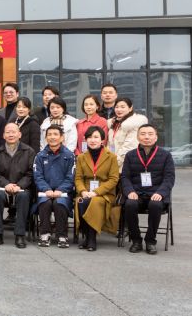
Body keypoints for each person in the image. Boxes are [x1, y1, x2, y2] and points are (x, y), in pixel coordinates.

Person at [121, 124, 175, 255]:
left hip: (156, 193)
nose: (146, 137)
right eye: (143, 134)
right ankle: (136, 240)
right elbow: (125, 177)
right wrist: (130, 191)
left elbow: (169, 178)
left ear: (156, 137)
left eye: (150, 134)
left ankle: (150, 240)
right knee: (129, 204)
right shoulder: (130, 155)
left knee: (155, 205)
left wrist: (161, 193)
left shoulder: (165, 155)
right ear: (137, 137)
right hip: (136, 193)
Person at [0, 123, 35, 249]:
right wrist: (6, 184)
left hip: (22, 188)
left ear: (19, 134)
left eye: (13, 132)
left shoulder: (29, 151)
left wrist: (19, 185)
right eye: (8, 132)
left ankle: (20, 235)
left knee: (23, 197)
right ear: (3, 135)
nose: (11, 134)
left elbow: (31, 173)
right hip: (3, 187)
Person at [74, 126, 119, 251]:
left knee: (93, 202)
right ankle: (87, 236)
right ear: (85, 139)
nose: (92, 140)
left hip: (104, 193)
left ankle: (91, 238)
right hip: (86, 192)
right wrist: (83, 191)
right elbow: (78, 178)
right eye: (89, 137)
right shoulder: (81, 157)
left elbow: (113, 179)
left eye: (96, 137)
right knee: (81, 201)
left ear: (102, 140)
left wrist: (96, 192)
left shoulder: (111, 157)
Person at [34, 125, 75, 249]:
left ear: (62, 137)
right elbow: (38, 176)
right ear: (46, 137)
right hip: (44, 192)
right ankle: (45, 234)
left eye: (55, 134)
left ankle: (62, 235)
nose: (52, 137)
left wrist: (60, 190)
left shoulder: (70, 156)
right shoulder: (40, 156)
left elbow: (71, 177)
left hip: (63, 193)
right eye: (49, 134)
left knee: (59, 203)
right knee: (45, 203)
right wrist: (46, 189)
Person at [107, 97, 148, 170]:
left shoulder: (133, 124)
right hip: (113, 164)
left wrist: (114, 164)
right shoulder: (114, 123)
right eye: (117, 107)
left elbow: (128, 148)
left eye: (123, 107)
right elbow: (110, 145)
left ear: (130, 108)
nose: (119, 109)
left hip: (125, 166)